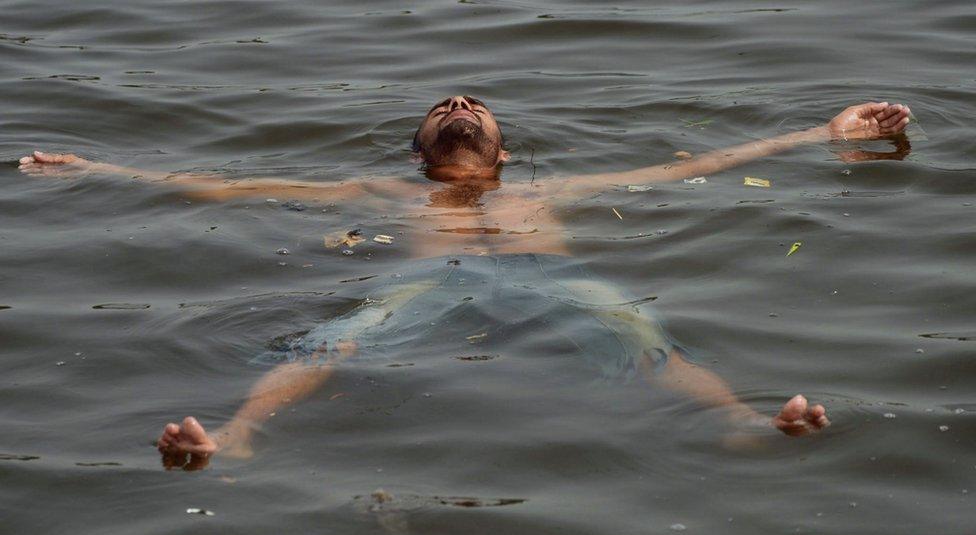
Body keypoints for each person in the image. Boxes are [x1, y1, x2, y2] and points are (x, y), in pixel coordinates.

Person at [19, 96, 912, 469]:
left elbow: (704, 166)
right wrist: (97, 169)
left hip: (553, 278)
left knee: (640, 328)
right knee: (336, 336)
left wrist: (820, 135)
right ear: (419, 151)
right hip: (431, 283)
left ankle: (744, 423)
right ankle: (239, 437)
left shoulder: (553, 189)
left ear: (502, 149)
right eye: (443, 108)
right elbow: (223, 188)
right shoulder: (373, 191)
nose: (457, 103)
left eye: (473, 106)